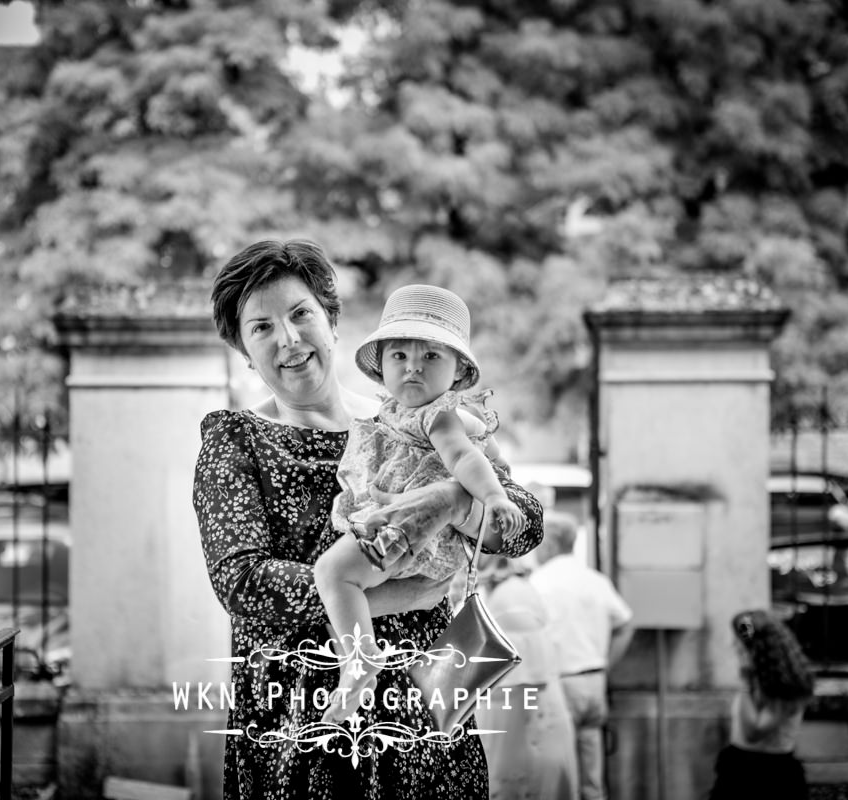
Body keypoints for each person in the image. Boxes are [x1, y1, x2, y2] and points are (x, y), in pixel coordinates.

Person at [193, 238, 546, 800]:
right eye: (260, 327)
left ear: (333, 322)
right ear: (243, 349)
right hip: (301, 717)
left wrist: (456, 502)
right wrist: (401, 596)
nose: (288, 339)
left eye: (300, 313)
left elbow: (525, 525)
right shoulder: (236, 440)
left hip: (426, 710)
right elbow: (243, 585)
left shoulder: (409, 418)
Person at [313, 283, 525, 723]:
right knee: (348, 603)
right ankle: (360, 656)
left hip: (407, 535)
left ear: (457, 370)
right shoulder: (395, 414)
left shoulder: (439, 414)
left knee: (331, 573)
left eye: (430, 357)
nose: (413, 368)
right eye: (400, 356)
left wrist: (494, 496)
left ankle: (360, 660)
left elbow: (466, 456)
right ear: (382, 368)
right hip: (413, 544)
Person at [528, 511, 635, 800]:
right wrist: (606, 664)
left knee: (563, 776)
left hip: (561, 686)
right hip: (595, 683)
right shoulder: (595, 580)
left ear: (548, 545)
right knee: (592, 774)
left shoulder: (539, 583)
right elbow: (626, 624)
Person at [476, 553, 579, 800]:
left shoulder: (512, 597)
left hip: (523, 730)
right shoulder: (500, 591)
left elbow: (522, 682)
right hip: (516, 725)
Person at [707, 609, 814, 800]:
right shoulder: (760, 679)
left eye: (739, 642)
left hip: (770, 775)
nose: (734, 646)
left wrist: (745, 681)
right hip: (738, 769)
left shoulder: (787, 684)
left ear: (755, 647)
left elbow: (754, 732)